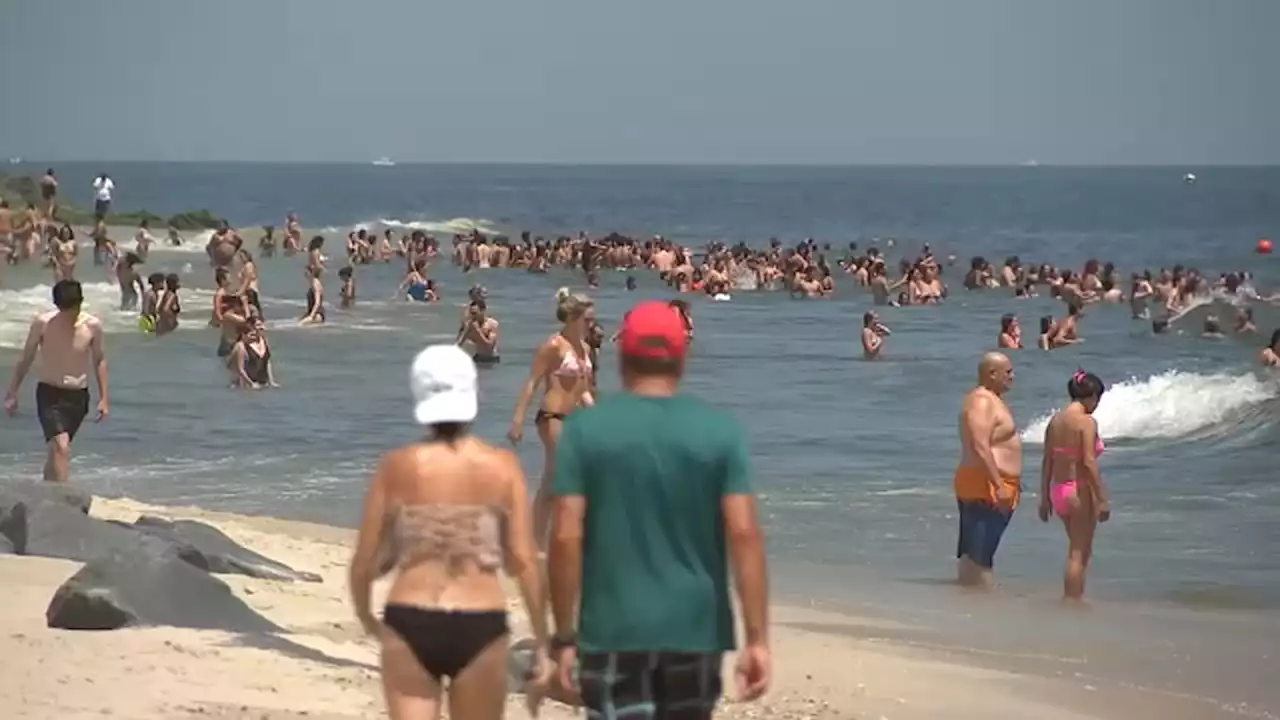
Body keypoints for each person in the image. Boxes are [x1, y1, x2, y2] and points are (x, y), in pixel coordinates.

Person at [547, 300, 771, 720]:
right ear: (681, 357)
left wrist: (563, 635)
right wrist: (757, 638)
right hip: (695, 629)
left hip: (613, 627)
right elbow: (743, 534)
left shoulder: (585, 432)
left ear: (621, 356)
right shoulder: (719, 432)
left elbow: (564, 535)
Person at [348, 345, 550, 719]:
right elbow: (523, 560)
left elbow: (365, 561)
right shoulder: (502, 467)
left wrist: (366, 617)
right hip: (479, 619)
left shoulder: (397, 467)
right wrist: (542, 640)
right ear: (474, 393)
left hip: (411, 615)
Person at [507, 288, 596, 547]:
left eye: (592, 320)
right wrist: (517, 419)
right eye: (587, 320)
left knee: (554, 480)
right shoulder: (553, 346)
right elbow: (532, 382)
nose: (591, 325)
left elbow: (583, 390)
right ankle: (537, 541)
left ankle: (537, 540)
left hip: (575, 419)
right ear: (572, 318)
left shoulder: (584, 348)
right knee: (560, 474)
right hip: (552, 417)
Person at [3, 280, 109, 482]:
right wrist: (12, 392)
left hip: (78, 396)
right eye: (63, 309)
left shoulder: (92, 326)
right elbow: (26, 358)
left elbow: (99, 360)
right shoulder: (43, 324)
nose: (68, 314)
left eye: (72, 309)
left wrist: (104, 398)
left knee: (57, 451)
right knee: (62, 447)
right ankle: (64, 501)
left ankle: (47, 491)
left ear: (80, 303)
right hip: (49, 394)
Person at [1038, 370, 1110, 600]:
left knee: (1078, 550)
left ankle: (1073, 597)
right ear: (1091, 396)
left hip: (1058, 490)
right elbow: (1088, 461)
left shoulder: (1055, 420)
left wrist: (1044, 497)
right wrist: (1102, 498)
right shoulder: (1086, 422)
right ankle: (1072, 603)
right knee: (1078, 553)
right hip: (1078, 490)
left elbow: (1047, 459)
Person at [953, 351, 1020, 587]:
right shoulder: (982, 401)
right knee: (981, 558)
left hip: (984, 482)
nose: (1012, 377)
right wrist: (998, 484)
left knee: (974, 555)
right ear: (992, 373)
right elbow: (979, 445)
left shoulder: (988, 399)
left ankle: (967, 604)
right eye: (1008, 372)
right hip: (986, 485)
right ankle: (981, 608)